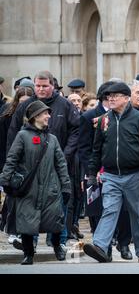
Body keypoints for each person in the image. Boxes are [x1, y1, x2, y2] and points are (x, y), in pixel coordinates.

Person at [83, 82, 139, 263]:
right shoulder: (103, 121)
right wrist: (92, 174)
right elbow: (96, 150)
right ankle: (100, 246)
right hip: (110, 176)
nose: (111, 98)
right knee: (109, 210)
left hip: (135, 175)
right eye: (109, 96)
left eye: (115, 96)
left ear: (126, 98)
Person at [7, 70, 80, 250]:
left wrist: (64, 154)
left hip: (59, 164)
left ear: (52, 86)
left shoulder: (64, 105)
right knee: (30, 206)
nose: (40, 89)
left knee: (58, 206)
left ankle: (59, 242)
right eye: (37, 86)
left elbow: (76, 131)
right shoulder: (26, 106)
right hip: (31, 167)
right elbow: (13, 133)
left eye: (44, 86)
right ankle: (29, 244)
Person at [0, 101, 71, 265]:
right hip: (27, 188)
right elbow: (12, 160)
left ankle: (57, 247)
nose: (48, 116)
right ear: (35, 117)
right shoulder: (22, 136)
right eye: (45, 113)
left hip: (50, 188)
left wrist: (66, 186)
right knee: (26, 223)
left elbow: (61, 165)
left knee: (55, 221)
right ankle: (28, 254)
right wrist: (5, 181)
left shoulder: (52, 139)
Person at [78, 81, 115, 234]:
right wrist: (92, 170)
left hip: (114, 168)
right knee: (96, 206)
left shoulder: (120, 115)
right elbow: (84, 147)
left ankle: (112, 237)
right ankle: (98, 236)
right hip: (95, 169)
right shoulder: (89, 116)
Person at [0, 87, 34, 243]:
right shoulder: (7, 116)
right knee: (13, 198)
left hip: (31, 163)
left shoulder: (36, 117)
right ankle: (11, 229)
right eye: (21, 102)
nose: (24, 106)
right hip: (13, 160)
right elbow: (4, 141)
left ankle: (22, 231)